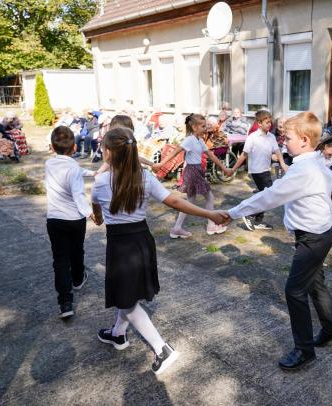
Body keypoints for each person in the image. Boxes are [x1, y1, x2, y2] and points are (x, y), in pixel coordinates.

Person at [91, 127, 227, 374]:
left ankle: (162, 349)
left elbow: (96, 210)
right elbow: (173, 201)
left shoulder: (101, 182)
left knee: (127, 300)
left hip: (121, 246)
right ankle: (117, 334)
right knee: (128, 294)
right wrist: (208, 213)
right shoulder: (144, 177)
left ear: (108, 153)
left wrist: (98, 218)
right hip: (143, 240)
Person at [219, 112, 332, 371]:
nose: (283, 142)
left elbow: (270, 197)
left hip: (313, 238)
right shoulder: (315, 162)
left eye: (287, 138)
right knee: (315, 283)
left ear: (305, 140)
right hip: (317, 234)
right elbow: (324, 201)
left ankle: (304, 349)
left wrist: (231, 213)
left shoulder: (305, 170)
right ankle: (331, 328)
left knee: (294, 290)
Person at [45, 126, 96, 319]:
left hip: (54, 219)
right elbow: (78, 194)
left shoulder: (49, 163)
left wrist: (92, 173)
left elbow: (72, 170)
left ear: (52, 147)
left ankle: (65, 303)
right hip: (74, 219)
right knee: (76, 250)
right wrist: (91, 213)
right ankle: (77, 279)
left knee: (60, 259)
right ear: (75, 147)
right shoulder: (73, 168)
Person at [152, 114, 232, 238]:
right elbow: (175, 152)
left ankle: (177, 228)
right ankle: (211, 225)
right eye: (203, 126)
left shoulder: (199, 140)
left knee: (190, 201)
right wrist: (161, 163)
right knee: (209, 197)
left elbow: (211, 156)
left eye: (206, 126)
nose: (205, 128)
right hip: (193, 171)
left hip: (196, 170)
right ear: (194, 127)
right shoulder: (189, 140)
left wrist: (224, 168)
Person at [229, 110, 289, 231]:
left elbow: (277, 151)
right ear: (259, 123)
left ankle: (257, 220)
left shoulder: (271, 136)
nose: (270, 124)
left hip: (266, 170)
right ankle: (250, 214)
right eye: (267, 122)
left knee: (266, 195)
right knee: (270, 195)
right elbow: (244, 155)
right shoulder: (252, 137)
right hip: (257, 171)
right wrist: (233, 169)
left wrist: (283, 164)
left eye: (270, 122)